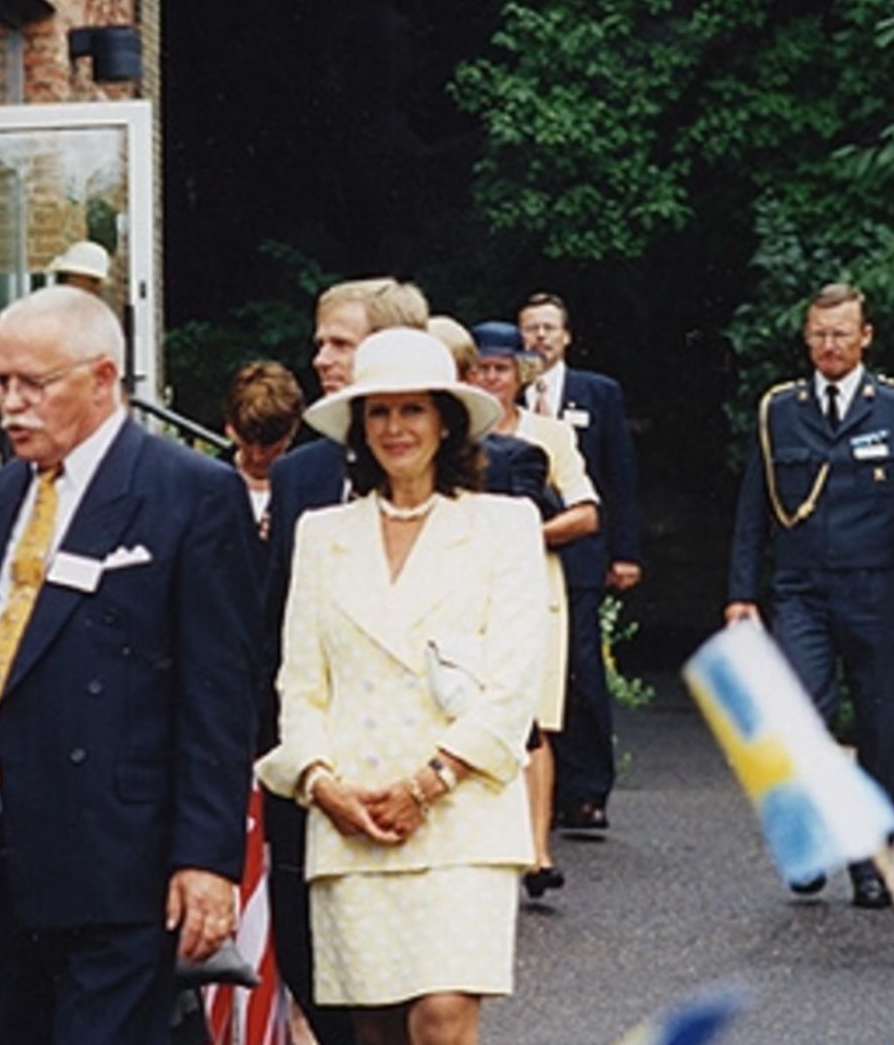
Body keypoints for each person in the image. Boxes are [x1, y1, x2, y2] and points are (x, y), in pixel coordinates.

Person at [0, 285, 258, 1044]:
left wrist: (207, 860)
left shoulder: (190, 494)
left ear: (103, 378)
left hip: (118, 864)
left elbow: (219, 694)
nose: (10, 405)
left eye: (32, 385)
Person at [258, 327, 546, 1045]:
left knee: (443, 1017)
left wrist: (430, 782)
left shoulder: (503, 526)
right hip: (353, 820)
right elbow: (301, 686)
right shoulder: (323, 535)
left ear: (445, 421)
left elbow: (515, 683)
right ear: (359, 427)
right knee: (377, 1030)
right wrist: (324, 787)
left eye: (412, 410)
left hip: (461, 814)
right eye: (379, 413)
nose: (395, 429)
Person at [724, 282, 894, 910]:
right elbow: (753, 509)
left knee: (881, 728)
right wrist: (741, 592)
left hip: (878, 591)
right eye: (819, 335)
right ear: (806, 338)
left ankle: (871, 860)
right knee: (799, 719)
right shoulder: (780, 409)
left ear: (865, 337)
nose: (829, 346)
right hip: (802, 593)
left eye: (841, 335)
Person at [261, 277, 427, 1045]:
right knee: (318, 976)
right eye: (319, 341)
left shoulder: (473, 479)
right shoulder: (299, 475)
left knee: (423, 1001)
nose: (320, 358)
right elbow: (275, 629)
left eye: (340, 343)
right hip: (316, 773)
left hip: (422, 784)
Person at [464, 320, 602, 896]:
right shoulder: (456, 433)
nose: (491, 379)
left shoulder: (550, 436)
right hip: (466, 585)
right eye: (481, 369)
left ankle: (538, 851)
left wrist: (526, 532)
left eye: (501, 369)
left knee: (535, 720)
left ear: (521, 375)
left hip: (535, 584)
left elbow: (587, 511)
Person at [516, 291, 642, 831]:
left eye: (549, 328)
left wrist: (626, 552)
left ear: (567, 336)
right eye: (531, 329)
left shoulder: (599, 393)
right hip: (519, 557)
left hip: (580, 554)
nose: (540, 338)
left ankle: (587, 789)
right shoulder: (501, 396)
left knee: (581, 670)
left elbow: (619, 476)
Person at [222, 359, 304, 553]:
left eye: (270, 446)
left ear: (293, 428)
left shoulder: (311, 483)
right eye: (246, 442)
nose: (258, 456)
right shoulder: (207, 484)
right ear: (230, 426)